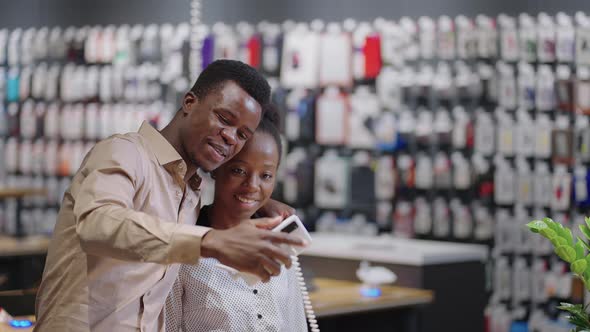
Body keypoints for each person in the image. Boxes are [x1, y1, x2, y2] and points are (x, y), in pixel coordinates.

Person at [34, 60, 305, 332]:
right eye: (224, 119)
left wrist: (260, 201)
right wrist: (211, 242)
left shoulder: (189, 192)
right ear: (189, 102)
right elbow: (97, 223)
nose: (230, 137)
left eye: (242, 134)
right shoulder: (124, 152)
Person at [165, 104, 308, 332]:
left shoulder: (277, 247)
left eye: (266, 175)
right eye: (238, 171)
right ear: (216, 167)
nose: (252, 186)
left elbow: (296, 325)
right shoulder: (186, 250)